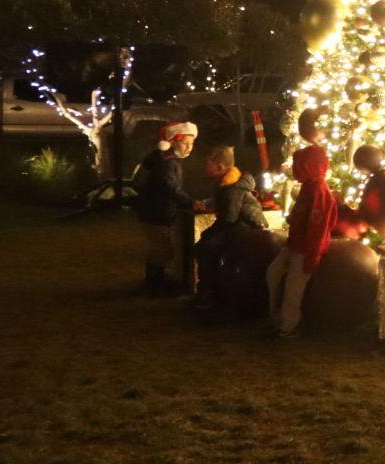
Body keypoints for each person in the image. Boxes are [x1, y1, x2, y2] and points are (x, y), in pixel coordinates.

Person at [266, 144, 338, 338]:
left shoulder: (319, 193)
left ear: (309, 167)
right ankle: (276, 318)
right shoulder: (307, 187)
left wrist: (311, 257)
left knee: (293, 288)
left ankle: (288, 327)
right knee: (273, 274)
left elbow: (318, 228)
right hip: (293, 244)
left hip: (305, 249)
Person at [192, 144, 269, 310]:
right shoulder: (227, 183)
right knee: (206, 246)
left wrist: (209, 233)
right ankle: (209, 291)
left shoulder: (233, 189)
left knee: (206, 248)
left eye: (208, 164)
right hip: (238, 227)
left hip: (246, 230)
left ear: (219, 167)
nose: (204, 167)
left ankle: (209, 293)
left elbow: (229, 218)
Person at [132, 122, 198, 295]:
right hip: (156, 212)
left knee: (161, 249)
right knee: (163, 249)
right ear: (173, 141)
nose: (189, 148)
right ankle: (154, 286)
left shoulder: (160, 157)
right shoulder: (168, 163)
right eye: (185, 143)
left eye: (192, 143)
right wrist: (190, 202)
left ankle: (155, 282)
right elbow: (170, 187)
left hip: (152, 210)